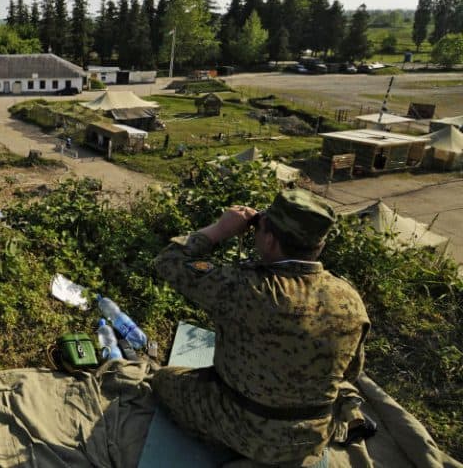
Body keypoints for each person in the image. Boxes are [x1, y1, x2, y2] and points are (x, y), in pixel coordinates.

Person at [152, 189, 370, 466]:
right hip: (309, 439)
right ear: (319, 245)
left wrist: (220, 229)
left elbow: (168, 261)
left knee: (163, 380)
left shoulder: (245, 288)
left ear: (269, 239)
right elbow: (351, 373)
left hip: (246, 429)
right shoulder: (350, 299)